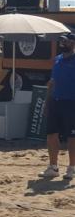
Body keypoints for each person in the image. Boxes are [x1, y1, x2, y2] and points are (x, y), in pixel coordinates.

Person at [40, 33, 75, 179]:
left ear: (73, 43)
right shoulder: (57, 60)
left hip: (71, 102)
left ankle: (72, 168)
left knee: (72, 136)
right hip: (55, 101)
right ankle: (53, 167)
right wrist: (47, 102)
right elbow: (52, 82)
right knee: (51, 134)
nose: (62, 43)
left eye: (65, 41)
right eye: (61, 41)